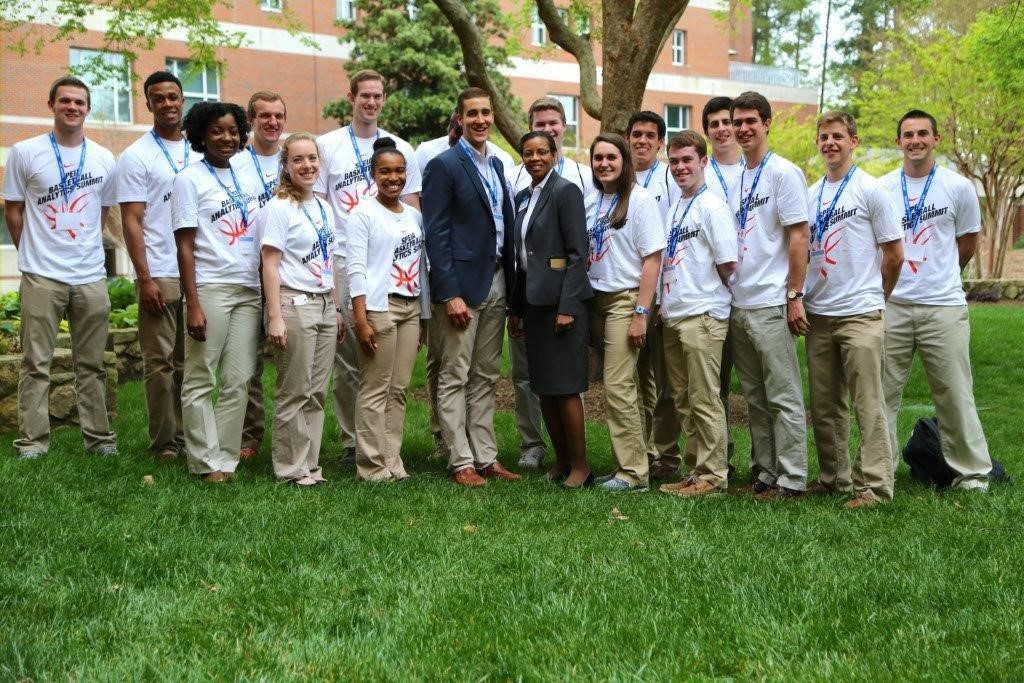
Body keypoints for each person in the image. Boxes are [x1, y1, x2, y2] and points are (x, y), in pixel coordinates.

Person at [2, 76, 118, 459]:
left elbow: (101, 213)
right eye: (65, 101)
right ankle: (33, 443)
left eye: (80, 102)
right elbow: (14, 210)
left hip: (89, 275)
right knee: (36, 363)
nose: (73, 107)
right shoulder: (24, 152)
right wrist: (33, 253)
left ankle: (99, 440)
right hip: (42, 275)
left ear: (88, 108)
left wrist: (79, 244)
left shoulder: (103, 157)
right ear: (51, 104)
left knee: (93, 363)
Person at [879, 109, 993, 491]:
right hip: (892, 306)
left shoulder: (958, 187)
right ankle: (880, 469)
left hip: (942, 306)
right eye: (908, 134)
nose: (915, 140)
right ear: (898, 142)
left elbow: (968, 243)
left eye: (923, 133)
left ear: (936, 139)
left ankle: (972, 473)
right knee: (881, 392)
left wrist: (941, 274)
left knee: (954, 392)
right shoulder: (881, 190)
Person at [316, 69, 422, 465]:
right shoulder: (328, 146)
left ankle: (383, 450)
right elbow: (323, 209)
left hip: (394, 267)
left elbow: (411, 209)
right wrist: (328, 269)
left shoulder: (402, 149)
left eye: (378, 96)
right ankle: (352, 441)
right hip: (346, 257)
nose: (371, 102)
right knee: (349, 359)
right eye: (365, 96)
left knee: (388, 373)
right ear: (351, 97)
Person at [804, 111, 904, 509]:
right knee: (826, 405)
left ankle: (876, 486)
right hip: (819, 314)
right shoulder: (812, 194)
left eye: (838, 137)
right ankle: (834, 477)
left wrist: (876, 297)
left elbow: (895, 254)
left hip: (860, 313)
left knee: (868, 403)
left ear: (854, 141)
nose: (830, 143)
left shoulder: (871, 189)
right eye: (824, 137)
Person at [423, 87, 521, 488]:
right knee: (454, 375)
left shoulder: (497, 166)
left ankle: (486, 456)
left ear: (493, 116)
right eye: (472, 114)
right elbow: (437, 233)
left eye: (486, 113)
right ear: (459, 119)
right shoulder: (443, 165)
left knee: (486, 376)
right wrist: (449, 293)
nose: (480, 120)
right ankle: (459, 459)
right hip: (462, 287)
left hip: (497, 280)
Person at [171, 101, 262, 482]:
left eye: (232, 131)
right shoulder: (189, 179)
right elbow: (185, 245)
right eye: (216, 132)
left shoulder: (248, 176)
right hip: (211, 288)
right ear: (200, 136)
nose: (227, 138)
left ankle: (226, 458)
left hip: (249, 289)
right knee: (200, 377)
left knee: (239, 379)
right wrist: (192, 303)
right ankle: (204, 461)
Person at [505, 96, 596, 471]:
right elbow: (520, 258)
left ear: (554, 155)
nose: (535, 158)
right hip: (533, 305)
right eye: (528, 152)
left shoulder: (565, 191)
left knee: (566, 388)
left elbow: (578, 255)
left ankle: (580, 466)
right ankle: (560, 463)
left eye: (542, 151)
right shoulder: (525, 197)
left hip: (561, 307)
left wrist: (567, 307)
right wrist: (515, 309)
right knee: (543, 387)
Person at [727, 91, 810, 499]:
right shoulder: (737, 176)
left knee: (783, 395)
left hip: (772, 301)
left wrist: (794, 294)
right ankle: (765, 470)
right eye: (737, 122)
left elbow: (799, 236)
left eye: (750, 122)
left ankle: (792, 477)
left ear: (767, 123)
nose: (743, 129)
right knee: (755, 398)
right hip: (739, 302)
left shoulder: (784, 174)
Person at [656, 131, 738, 496]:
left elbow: (728, 263)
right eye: (674, 161)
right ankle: (695, 471)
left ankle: (714, 475)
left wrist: (705, 295)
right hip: (675, 315)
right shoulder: (677, 206)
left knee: (705, 398)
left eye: (687, 160)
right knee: (685, 399)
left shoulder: (712, 207)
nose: (680, 167)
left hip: (702, 315)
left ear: (703, 162)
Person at [259, 133, 343, 487]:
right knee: (294, 389)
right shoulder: (279, 207)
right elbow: (269, 263)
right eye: (298, 160)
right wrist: (274, 316)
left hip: (324, 303)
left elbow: (329, 260)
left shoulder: (323, 206)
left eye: (311, 159)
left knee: (317, 390)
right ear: (285, 167)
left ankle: (310, 463)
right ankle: (290, 468)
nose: (307, 166)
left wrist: (336, 306)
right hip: (295, 303)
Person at [116, 70, 191, 463]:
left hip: (197, 270)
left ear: (183, 100)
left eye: (173, 97)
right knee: (160, 363)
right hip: (159, 270)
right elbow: (131, 219)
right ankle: (165, 443)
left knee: (189, 362)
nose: (167, 104)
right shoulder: (136, 156)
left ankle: (188, 435)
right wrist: (144, 278)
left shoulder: (198, 149)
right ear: (148, 104)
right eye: (158, 98)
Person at [587, 133, 666, 492]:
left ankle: (634, 474)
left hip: (625, 299)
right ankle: (629, 464)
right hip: (597, 301)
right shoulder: (593, 199)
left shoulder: (640, 200)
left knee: (618, 385)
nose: (604, 163)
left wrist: (641, 312)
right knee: (623, 386)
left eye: (611, 158)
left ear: (624, 162)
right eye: (598, 158)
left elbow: (653, 258)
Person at [348, 138, 431, 482]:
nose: (393, 177)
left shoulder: (414, 215)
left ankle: (392, 460)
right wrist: (361, 318)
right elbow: (355, 268)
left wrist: (424, 316)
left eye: (399, 171)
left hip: (411, 308)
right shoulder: (362, 213)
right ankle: (370, 465)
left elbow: (422, 266)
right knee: (374, 388)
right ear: (373, 174)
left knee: (398, 390)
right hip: (380, 308)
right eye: (385, 171)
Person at [626, 111, 681, 480]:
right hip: (625, 291)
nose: (642, 140)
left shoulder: (669, 180)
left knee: (665, 381)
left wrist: (661, 295)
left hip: (661, 294)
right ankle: (640, 447)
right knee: (634, 376)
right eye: (636, 134)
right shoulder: (620, 180)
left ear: (660, 142)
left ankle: (666, 454)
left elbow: (673, 238)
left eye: (650, 135)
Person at [236, 91, 287, 462]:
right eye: (264, 116)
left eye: (279, 116)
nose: (272, 122)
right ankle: (249, 435)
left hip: (290, 273)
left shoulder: (293, 161)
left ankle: (292, 434)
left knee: (291, 357)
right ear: (251, 120)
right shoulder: (236, 163)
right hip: (247, 268)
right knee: (247, 360)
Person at [702, 96, 744, 466]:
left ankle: (768, 464)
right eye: (713, 123)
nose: (721, 129)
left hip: (753, 293)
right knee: (714, 384)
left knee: (760, 387)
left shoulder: (757, 170)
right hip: (711, 298)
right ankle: (721, 458)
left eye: (727, 121)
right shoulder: (698, 174)